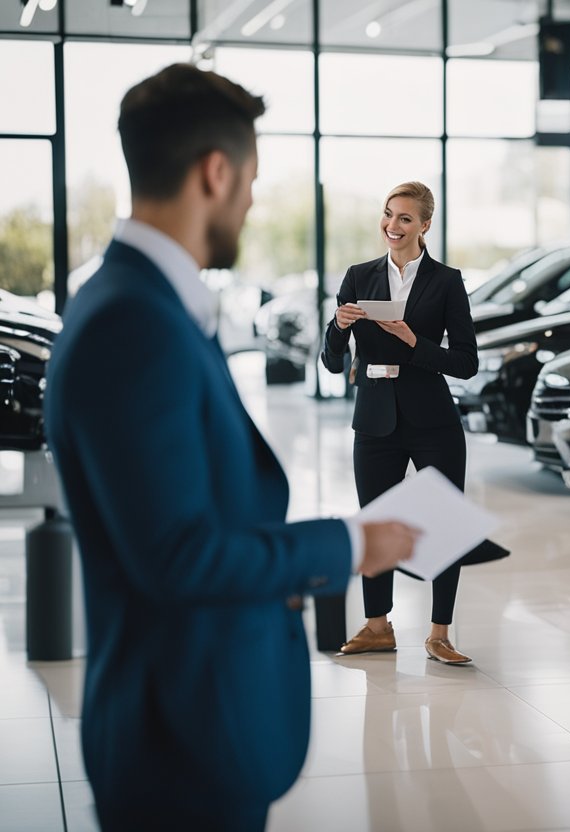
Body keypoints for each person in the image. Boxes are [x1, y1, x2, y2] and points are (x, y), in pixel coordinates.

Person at [44, 64, 418, 831]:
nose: (251, 199)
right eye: (249, 178)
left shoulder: (141, 302)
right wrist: (349, 542)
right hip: (179, 737)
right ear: (216, 172)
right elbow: (178, 555)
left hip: (192, 717)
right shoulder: (133, 324)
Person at [321, 181, 479, 664]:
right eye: (389, 215)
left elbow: (467, 362)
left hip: (433, 419)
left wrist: (415, 342)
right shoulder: (358, 275)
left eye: (405, 218)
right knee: (375, 523)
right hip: (374, 418)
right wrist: (339, 327)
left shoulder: (447, 281)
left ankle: (439, 633)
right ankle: (376, 626)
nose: (393, 225)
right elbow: (330, 363)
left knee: (444, 523)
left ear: (425, 225)